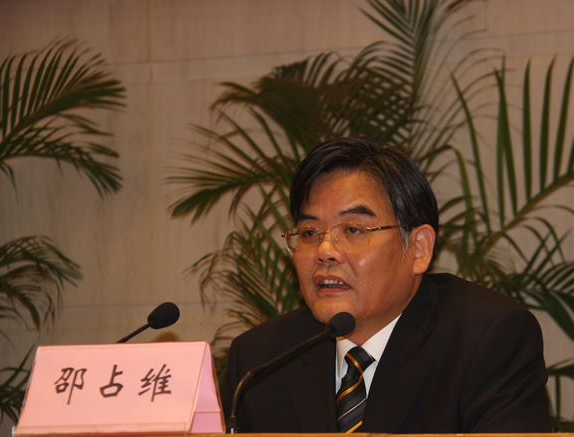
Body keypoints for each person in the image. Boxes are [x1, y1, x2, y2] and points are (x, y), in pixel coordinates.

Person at [220, 137, 551, 433]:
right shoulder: (258, 361)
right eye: (309, 232)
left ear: (419, 249)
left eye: (353, 230)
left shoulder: (487, 340)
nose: (325, 251)